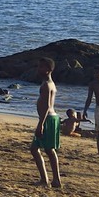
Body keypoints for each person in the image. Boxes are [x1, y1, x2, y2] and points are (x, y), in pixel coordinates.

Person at [31, 56, 63, 189]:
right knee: (35, 149)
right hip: (49, 118)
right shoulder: (49, 83)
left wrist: (41, 124)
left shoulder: (46, 85)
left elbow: (47, 106)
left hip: (48, 119)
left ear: (49, 70)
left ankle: (55, 180)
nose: (39, 69)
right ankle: (46, 179)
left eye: (41, 67)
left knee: (49, 150)